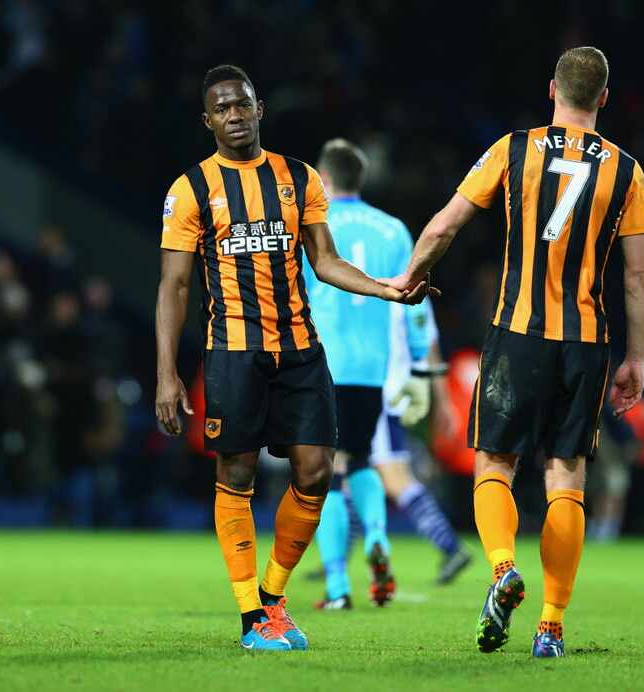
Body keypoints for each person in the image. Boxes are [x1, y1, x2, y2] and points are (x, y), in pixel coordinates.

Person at [381, 47, 644, 658]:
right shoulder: (628, 171)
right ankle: (551, 626)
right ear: (604, 98)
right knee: (566, 480)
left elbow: (444, 225)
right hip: (586, 341)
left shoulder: (512, 149)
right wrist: (636, 358)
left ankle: (503, 567)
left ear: (551, 90)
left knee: (495, 466)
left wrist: (409, 278)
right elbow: (636, 278)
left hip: (516, 333)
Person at [154, 66, 431, 653]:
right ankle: (251, 615)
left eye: (242, 105)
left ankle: (273, 598)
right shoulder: (190, 191)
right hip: (232, 351)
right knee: (238, 475)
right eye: (222, 109)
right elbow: (174, 287)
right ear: (208, 121)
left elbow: (325, 261)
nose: (234, 116)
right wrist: (166, 373)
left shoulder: (298, 177)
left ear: (260, 109)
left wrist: (387, 288)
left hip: (302, 349)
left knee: (315, 471)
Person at [306, 138, 432, 609]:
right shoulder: (394, 230)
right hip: (372, 369)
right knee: (359, 460)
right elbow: (417, 303)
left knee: (321, 474)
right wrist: (422, 366)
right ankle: (379, 535)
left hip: (322, 364)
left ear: (324, 177)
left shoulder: (314, 224)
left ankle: (338, 586)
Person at [371, 303, 472, 585]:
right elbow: (430, 345)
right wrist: (442, 401)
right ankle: (337, 562)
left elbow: (427, 344)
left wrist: (444, 403)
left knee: (394, 478)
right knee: (351, 471)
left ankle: (451, 546)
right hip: (394, 392)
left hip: (380, 392)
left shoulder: (373, 280)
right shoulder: (416, 293)